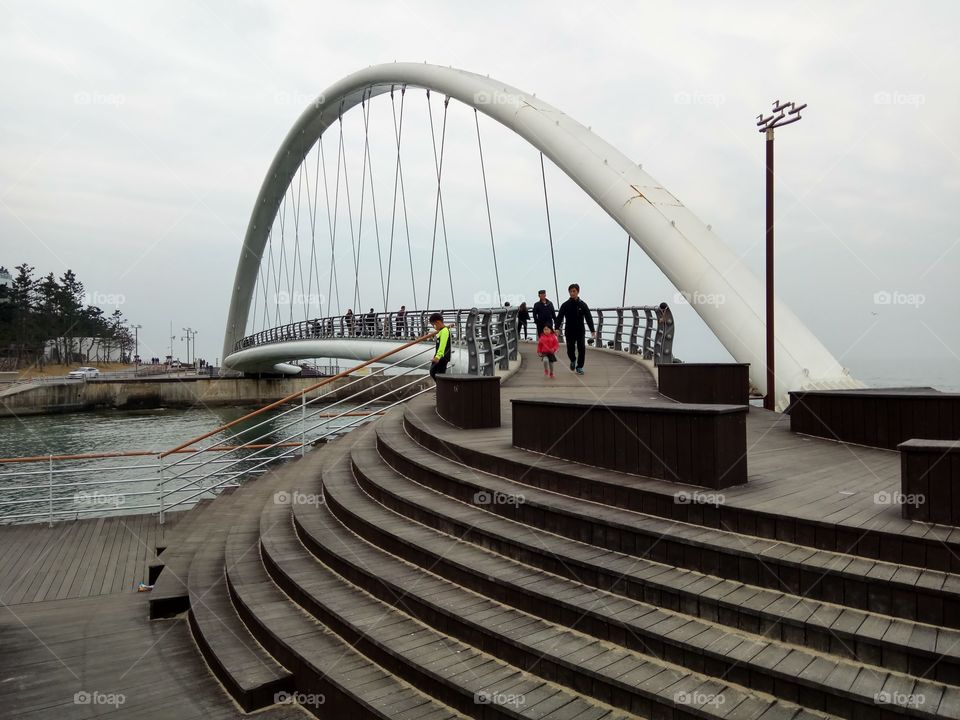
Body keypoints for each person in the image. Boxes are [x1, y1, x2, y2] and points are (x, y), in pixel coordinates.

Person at [555, 283, 595, 374]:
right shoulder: (565, 305)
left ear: (578, 292)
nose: (572, 293)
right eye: (570, 291)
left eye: (574, 291)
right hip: (569, 331)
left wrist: (592, 330)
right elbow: (559, 317)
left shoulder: (583, 305)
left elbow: (588, 317)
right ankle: (573, 360)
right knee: (570, 349)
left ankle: (579, 367)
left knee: (582, 349)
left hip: (580, 331)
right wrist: (557, 328)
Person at [429, 312, 451, 380]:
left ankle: (443, 389)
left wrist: (437, 357)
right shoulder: (442, 330)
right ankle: (442, 389)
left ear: (438, 322)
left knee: (436, 373)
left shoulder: (444, 331)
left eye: (434, 325)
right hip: (440, 356)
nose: (434, 327)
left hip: (442, 357)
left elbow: (442, 345)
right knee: (434, 372)